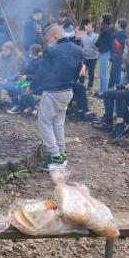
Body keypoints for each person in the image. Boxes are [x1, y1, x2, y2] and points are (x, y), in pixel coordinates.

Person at [29, 25, 83, 170]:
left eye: (48, 39)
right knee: (58, 124)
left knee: (44, 123)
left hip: (53, 92)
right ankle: (61, 154)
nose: (47, 42)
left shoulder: (52, 51)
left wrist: (31, 87)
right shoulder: (78, 49)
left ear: (54, 37)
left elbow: (42, 72)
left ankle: (54, 157)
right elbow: (78, 70)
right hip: (68, 91)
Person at [8, 44, 42, 113]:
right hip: (27, 80)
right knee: (12, 86)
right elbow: (26, 71)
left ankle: (34, 106)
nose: (29, 52)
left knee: (24, 89)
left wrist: (27, 77)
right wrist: (22, 76)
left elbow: (39, 76)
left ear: (33, 52)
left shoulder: (41, 62)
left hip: (36, 83)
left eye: (31, 51)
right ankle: (19, 105)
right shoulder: (31, 60)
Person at [0, 41, 25, 112]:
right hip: (3, 79)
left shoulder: (18, 58)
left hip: (15, 80)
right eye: (2, 50)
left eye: (5, 50)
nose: (3, 52)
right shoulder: (1, 57)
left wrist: (8, 79)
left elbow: (19, 72)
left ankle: (16, 104)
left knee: (11, 86)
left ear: (11, 50)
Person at [94, 13, 115, 97]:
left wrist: (97, 44)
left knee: (103, 74)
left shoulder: (107, 30)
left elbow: (101, 42)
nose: (100, 19)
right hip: (104, 52)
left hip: (105, 52)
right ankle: (101, 90)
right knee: (102, 73)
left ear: (104, 19)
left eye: (101, 18)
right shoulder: (107, 29)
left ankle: (105, 93)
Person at [79, 19, 99, 91]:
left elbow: (98, 47)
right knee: (83, 71)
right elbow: (81, 46)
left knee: (91, 72)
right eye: (86, 26)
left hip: (92, 58)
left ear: (93, 28)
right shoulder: (83, 37)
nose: (86, 27)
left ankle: (90, 86)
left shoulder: (96, 36)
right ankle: (81, 85)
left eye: (89, 26)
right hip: (84, 58)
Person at [109, 18, 128, 88]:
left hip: (117, 58)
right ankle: (110, 91)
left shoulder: (116, 35)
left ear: (119, 25)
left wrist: (114, 56)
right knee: (113, 76)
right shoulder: (125, 36)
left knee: (116, 76)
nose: (115, 24)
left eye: (116, 23)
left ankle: (117, 91)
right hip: (119, 58)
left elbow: (118, 48)